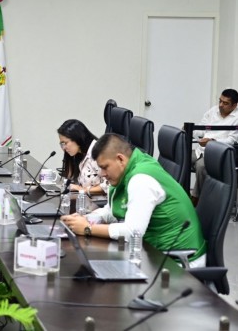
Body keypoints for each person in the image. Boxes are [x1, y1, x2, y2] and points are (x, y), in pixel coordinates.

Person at [61, 133, 206, 267]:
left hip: (178, 261)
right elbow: (112, 210)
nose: (103, 174)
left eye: (105, 167)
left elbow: (132, 232)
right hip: (152, 251)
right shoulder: (130, 167)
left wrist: (88, 228)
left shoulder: (140, 180)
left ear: (120, 159)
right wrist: (87, 218)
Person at [191, 89, 238, 198]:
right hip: (201, 150)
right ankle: (179, 193)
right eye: (220, 101)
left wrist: (212, 142)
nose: (220, 105)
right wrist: (191, 130)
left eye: (225, 103)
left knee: (201, 166)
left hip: (219, 154)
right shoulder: (213, 111)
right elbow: (202, 129)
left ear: (234, 105)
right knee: (181, 157)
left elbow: (232, 140)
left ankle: (197, 198)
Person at [57, 119, 107, 196]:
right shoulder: (80, 154)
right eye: (61, 144)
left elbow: (110, 185)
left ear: (77, 138)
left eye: (65, 143)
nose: (63, 148)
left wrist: (83, 190)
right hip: (85, 199)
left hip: (100, 201)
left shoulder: (97, 153)